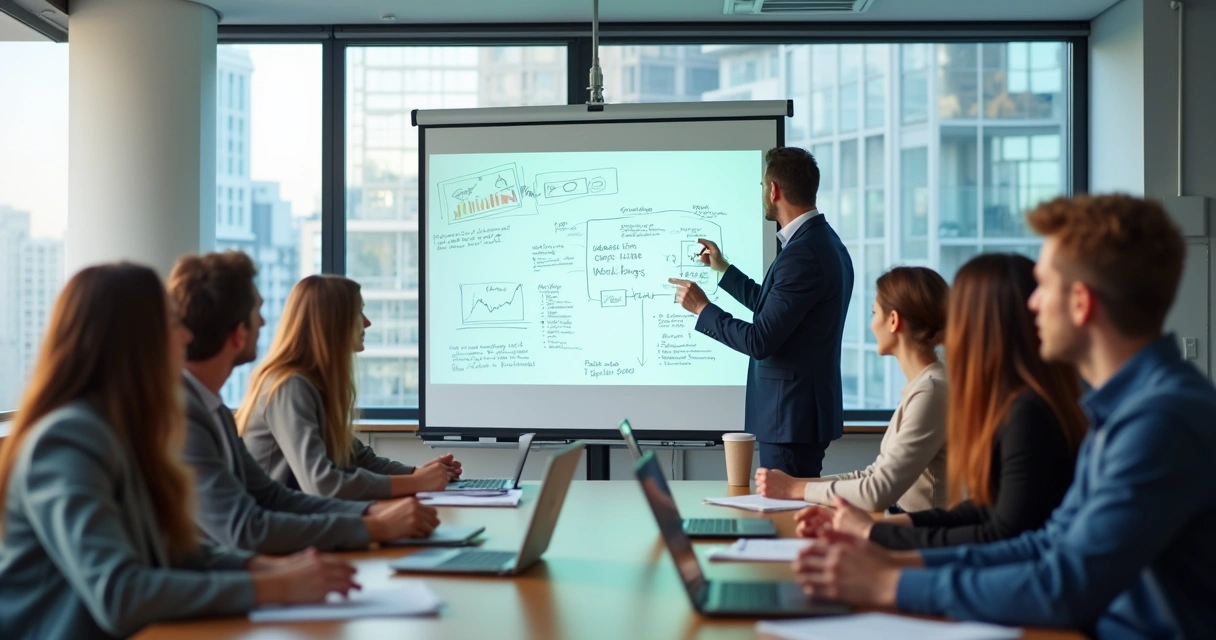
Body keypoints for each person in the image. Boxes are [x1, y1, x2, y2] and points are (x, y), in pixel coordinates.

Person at [792, 195, 1216, 639]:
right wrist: (896, 562)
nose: (1032, 304)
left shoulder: (1162, 420)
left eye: (1043, 286)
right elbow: (1045, 545)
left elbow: (1064, 586)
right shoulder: (1122, 409)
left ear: (1081, 303)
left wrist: (889, 583)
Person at [0, 263, 359, 640]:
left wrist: (263, 568)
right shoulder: (67, 440)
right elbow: (121, 594)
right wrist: (277, 587)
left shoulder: (120, 429)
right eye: (173, 324)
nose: (187, 336)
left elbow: (171, 549)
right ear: (135, 341)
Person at [796, 253, 1087, 549]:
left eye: (958, 314)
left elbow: (1002, 534)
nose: (948, 329)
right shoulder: (1016, 404)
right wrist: (873, 529)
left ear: (985, 326)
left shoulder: (1025, 413)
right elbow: (986, 511)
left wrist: (880, 543)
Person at [169, 252, 440, 554]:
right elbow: (248, 527)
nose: (264, 322)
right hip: (267, 549)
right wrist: (377, 523)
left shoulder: (214, 408)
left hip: (272, 546)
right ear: (238, 332)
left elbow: (273, 497)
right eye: (257, 312)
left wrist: (373, 512)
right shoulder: (190, 414)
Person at [670, 147, 854, 477]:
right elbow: (776, 311)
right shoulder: (822, 242)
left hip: (790, 420)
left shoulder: (804, 254)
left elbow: (760, 340)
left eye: (761, 186)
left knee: (784, 507)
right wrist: (724, 270)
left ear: (774, 190)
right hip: (796, 417)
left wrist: (702, 309)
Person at [238, 274, 459, 500]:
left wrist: (417, 473)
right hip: (280, 519)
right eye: (358, 313)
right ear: (333, 322)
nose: (367, 322)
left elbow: (357, 457)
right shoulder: (289, 386)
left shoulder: (313, 382)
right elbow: (322, 483)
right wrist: (416, 482)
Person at [756, 266, 949, 513]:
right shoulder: (924, 386)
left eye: (874, 313)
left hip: (920, 532)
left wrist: (795, 488)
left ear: (893, 321)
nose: (872, 324)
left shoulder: (930, 393)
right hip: (904, 523)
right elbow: (872, 476)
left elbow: (877, 491)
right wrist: (795, 485)